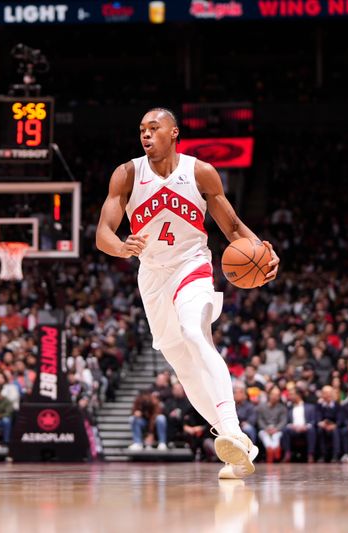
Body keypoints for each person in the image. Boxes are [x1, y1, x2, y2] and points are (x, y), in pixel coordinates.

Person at [96, 107, 279, 479]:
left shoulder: (199, 172)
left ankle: (229, 428)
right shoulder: (128, 174)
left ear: (174, 132)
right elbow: (102, 233)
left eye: (154, 128)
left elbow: (231, 227)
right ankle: (238, 442)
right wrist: (121, 247)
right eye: (141, 129)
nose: (146, 135)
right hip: (151, 274)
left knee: (196, 333)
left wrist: (261, 246)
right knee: (182, 366)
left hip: (192, 263)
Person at [282, 388, 317, 463]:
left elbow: (313, 421)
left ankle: (310, 455)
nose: (289, 397)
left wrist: (305, 426)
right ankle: (287, 453)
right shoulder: (289, 408)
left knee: (311, 430)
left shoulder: (310, 407)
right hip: (293, 429)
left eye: (292, 394)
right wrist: (291, 426)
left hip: (305, 428)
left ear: (298, 395)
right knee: (285, 430)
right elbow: (286, 422)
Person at [257, 387, 287, 463]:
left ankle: (272, 450)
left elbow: (283, 421)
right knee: (263, 435)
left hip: (277, 429)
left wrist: (276, 429)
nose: (274, 397)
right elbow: (259, 420)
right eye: (273, 394)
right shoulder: (261, 407)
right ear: (269, 395)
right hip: (265, 429)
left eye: (277, 395)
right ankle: (272, 449)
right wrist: (266, 428)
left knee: (276, 436)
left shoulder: (282, 407)